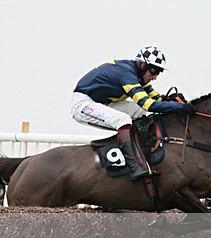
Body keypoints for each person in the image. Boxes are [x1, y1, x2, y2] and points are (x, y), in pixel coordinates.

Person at [71, 46, 195, 180]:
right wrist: (179, 107)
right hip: (83, 103)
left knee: (140, 112)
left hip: (103, 102)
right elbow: (148, 104)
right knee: (123, 120)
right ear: (142, 65)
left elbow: (155, 98)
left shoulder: (139, 76)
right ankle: (134, 165)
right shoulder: (126, 74)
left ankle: (143, 152)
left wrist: (169, 100)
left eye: (159, 72)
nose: (155, 77)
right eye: (154, 71)